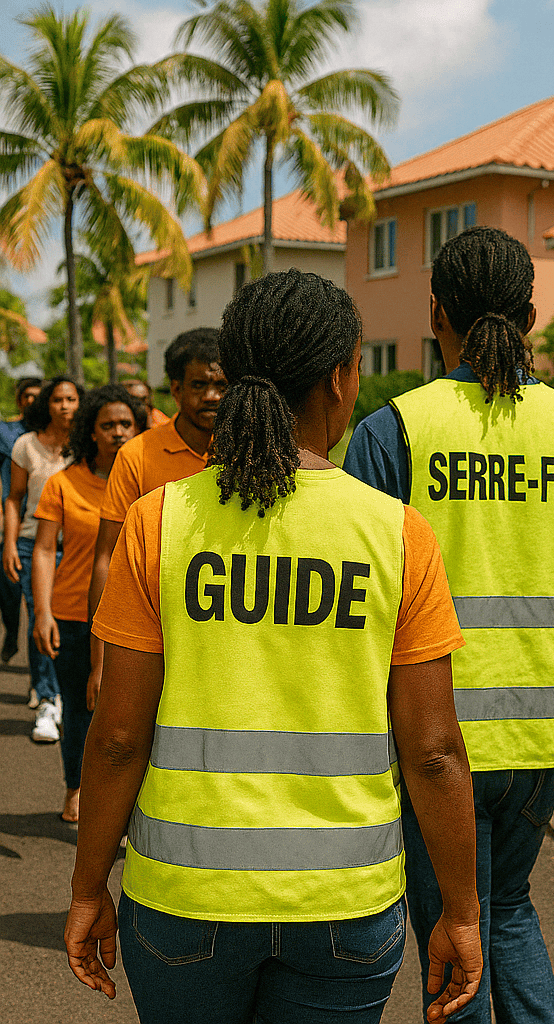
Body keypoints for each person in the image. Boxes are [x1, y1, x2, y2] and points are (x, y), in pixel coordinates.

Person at [64, 270, 483, 1024]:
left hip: (186, 898)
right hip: (345, 903)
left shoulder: (161, 522)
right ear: (339, 375)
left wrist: (88, 886)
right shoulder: (396, 533)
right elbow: (433, 752)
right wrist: (460, 910)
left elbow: (119, 737)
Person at [345, 226, 554, 1024]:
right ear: (532, 316)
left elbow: (364, 601)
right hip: (548, 732)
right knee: (506, 909)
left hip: (440, 739)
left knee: (451, 929)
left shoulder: (395, 428)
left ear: (437, 313)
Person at [87, 329, 224, 705]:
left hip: (223, 632)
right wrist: (99, 662)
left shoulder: (249, 454)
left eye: (222, 385)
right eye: (200, 384)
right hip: (148, 631)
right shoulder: (137, 454)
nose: (212, 396)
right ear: (176, 389)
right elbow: (106, 558)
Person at [32, 384, 145, 822]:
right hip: (76, 613)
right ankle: (76, 787)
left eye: (126, 424)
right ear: (91, 432)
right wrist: (42, 613)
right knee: (81, 709)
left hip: (141, 616)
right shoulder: (64, 483)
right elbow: (44, 550)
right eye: (108, 425)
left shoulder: (153, 482)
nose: (118, 432)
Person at [3, 376, 83, 742]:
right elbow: (15, 498)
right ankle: (49, 700)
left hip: (77, 545)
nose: (65, 406)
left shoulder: (85, 446)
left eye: (72, 399)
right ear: (46, 405)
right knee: (40, 615)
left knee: (73, 621)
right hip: (34, 544)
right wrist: (8, 543)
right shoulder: (25, 445)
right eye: (58, 400)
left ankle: (69, 694)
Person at [0, 376, 42, 668]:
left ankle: (42, 686)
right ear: (19, 400)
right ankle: (11, 633)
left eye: (37, 395)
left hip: (43, 526)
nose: (31, 400)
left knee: (38, 605)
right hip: (13, 522)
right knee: (9, 590)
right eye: (26, 395)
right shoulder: (8, 433)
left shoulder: (54, 434)